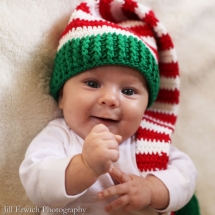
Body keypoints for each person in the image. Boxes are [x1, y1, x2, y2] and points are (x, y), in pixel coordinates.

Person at [19, 1, 198, 215]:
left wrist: (151, 189)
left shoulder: (149, 141)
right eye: (93, 84)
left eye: (129, 91)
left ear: (146, 106)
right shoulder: (60, 137)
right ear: (62, 97)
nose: (111, 99)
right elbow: (37, 185)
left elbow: (186, 176)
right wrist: (84, 165)